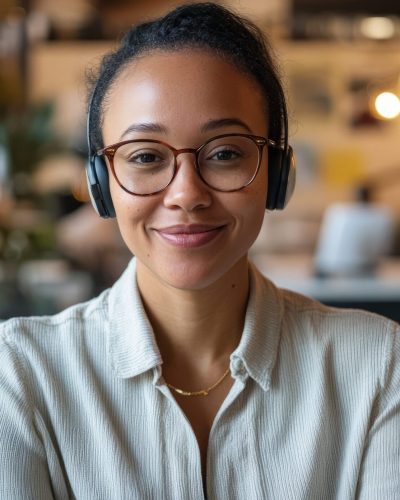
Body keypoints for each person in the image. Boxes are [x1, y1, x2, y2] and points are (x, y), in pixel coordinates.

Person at [0, 3, 399, 499]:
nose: (186, 193)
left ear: (276, 174)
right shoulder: (20, 374)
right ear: (102, 186)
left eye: (226, 153)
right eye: (145, 156)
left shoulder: (379, 368)